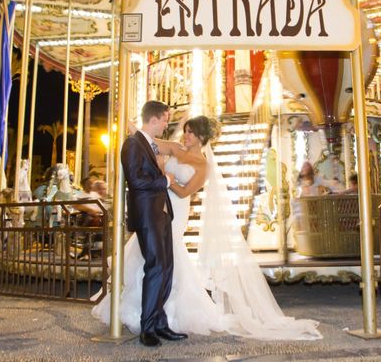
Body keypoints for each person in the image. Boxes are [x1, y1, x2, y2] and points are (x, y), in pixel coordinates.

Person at [93, 115, 321, 340]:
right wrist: (126, 118)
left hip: (178, 208)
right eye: (186, 130)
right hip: (158, 206)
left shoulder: (203, 165)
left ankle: (162, 316)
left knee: (166, 263)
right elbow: (147, 140)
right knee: (150, 260)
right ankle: (152, 315)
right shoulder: (175, 147)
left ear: (202, 137)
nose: (186, 134)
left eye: (191, 131)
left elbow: (185, 191)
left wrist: (166, 179)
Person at [115, 100, 185, 347]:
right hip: (147, 215)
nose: (167, 124)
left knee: (166, 268)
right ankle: (148, 328)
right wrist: (164, 181)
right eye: (166, 119)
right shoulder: (133, 144)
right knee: (156, 267)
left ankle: (160, 323)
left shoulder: (148, 144)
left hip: (161, 214)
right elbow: (135, 180)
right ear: (154, 119)